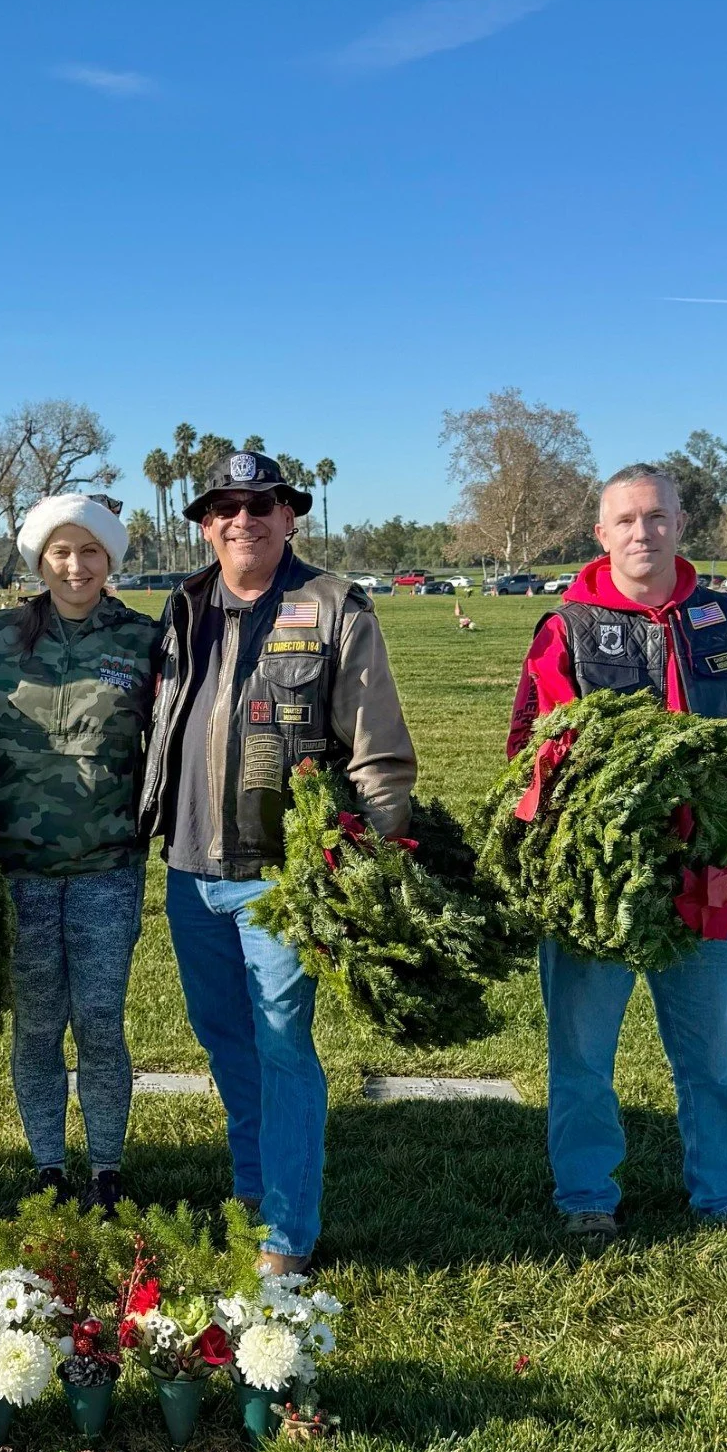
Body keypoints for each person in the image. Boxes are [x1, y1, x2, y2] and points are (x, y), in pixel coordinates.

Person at [139, 449, 417, 1274]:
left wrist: (371, 862)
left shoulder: (335, 607)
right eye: (225, 507)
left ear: (289, 517)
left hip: (283, 875)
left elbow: (378, 752)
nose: (243, 519)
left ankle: (288, 1233)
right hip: (191, 869)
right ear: (204, 524)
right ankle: (255, 1184)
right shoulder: (183, 605)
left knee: (284, 1042)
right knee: (226, 1038)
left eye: (261, 505)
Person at [507, 462, 727, 1237]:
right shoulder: (566, 628)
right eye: (625, 520)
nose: (642, 532)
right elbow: (530, 748)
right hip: (597, 888)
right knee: (583, 1060)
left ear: (681, 524)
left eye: (656, 517)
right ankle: (587, 1198)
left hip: (703, 879)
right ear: (601, 533)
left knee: (710, 1060)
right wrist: (582, 844)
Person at [0, 491, 160, 1210]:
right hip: (17, 871)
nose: (75, 566)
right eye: (60, 551)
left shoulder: (143, 641)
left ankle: (107, 1167)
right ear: (40, 559)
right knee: (38, 1025)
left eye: (90, 552)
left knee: (101, 1024)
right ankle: (48, 1163)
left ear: (110, 559)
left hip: (108, 868)